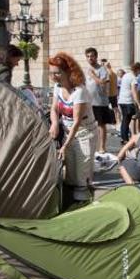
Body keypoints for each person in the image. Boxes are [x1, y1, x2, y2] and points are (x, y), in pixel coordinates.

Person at [48, 52, 96, 204]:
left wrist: (65, 146)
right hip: (68, 132)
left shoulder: (79, 91)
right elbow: (54, 109)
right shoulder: (57, 87)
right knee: (70, 173)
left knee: (82, 172)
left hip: (84, 133)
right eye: (51, 73)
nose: (53, 76)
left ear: (68, 72)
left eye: (57, 73)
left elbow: (76, 122)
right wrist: (55, 123)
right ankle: (71, 202)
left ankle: (84, 204)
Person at [83, 47, 114, 154]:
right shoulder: (85, 70)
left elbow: (102, 83)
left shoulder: (102, 69)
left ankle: (102, 147)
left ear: (96, 57)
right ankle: (91, 147)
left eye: (92, 56)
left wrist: (93, 75)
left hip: (100, 102)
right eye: (88, 56)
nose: (90, 58)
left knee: (101, 125)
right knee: (88, 125)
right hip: (88, 102)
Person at [117, 63, 140, 144]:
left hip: (122, 100)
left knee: (125, 119)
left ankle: (124, 137)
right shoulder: (133, 78)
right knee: (128, 120)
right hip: (128, 101)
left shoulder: (126, 75)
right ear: (137, 69)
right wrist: (139, 104)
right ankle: (126, 138)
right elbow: (134, 92)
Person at [103, 59, 120, 126]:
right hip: (114, 93)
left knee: (106, 108)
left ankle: (110, 121)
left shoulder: (107, 74)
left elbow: (108, 85)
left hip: (108, 94)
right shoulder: (114, 74)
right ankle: (118, 121)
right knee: (115, 108)